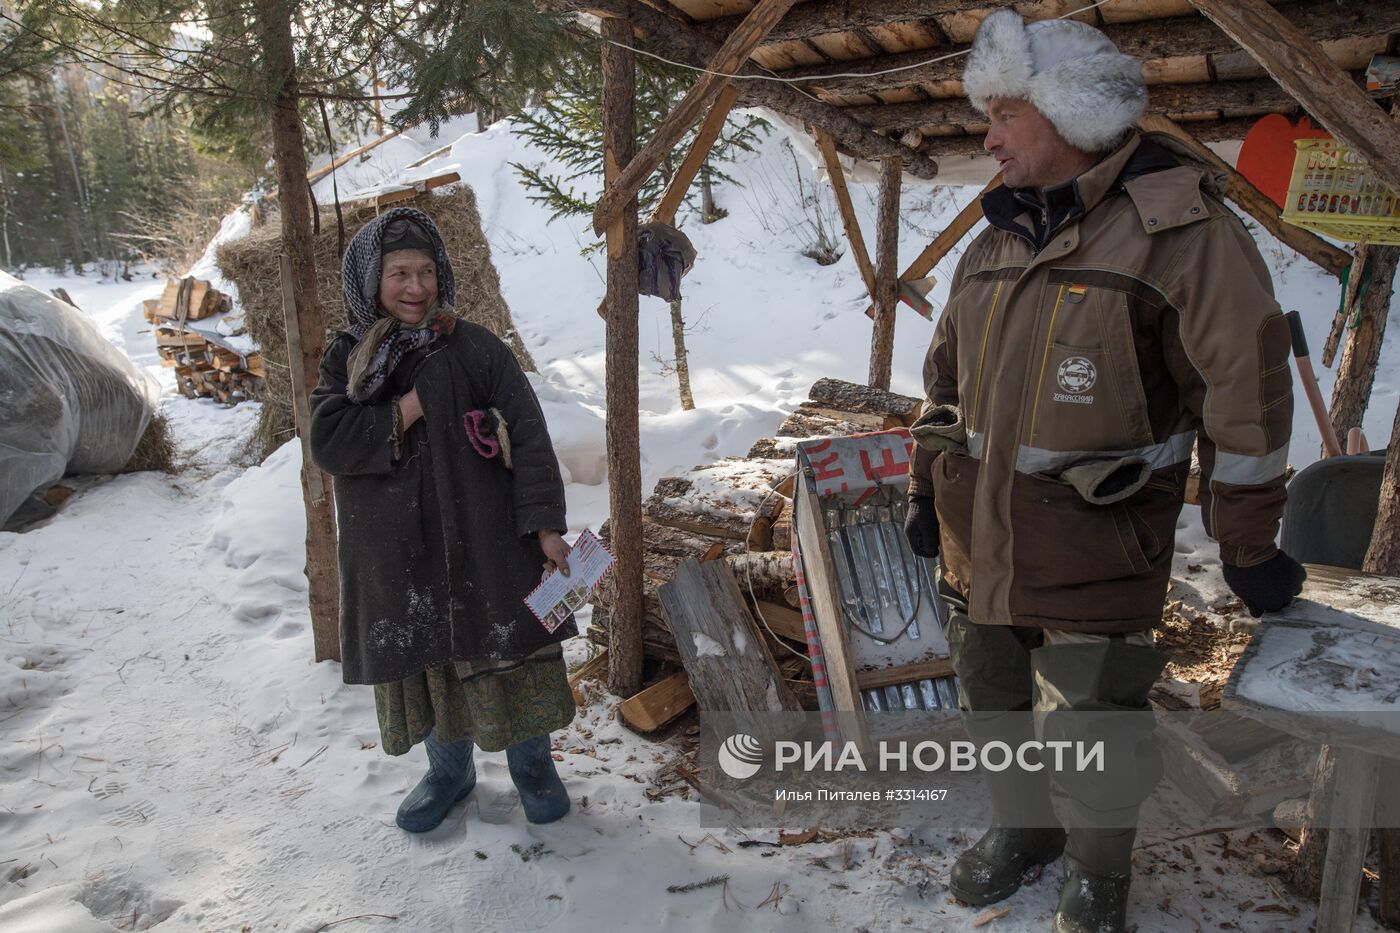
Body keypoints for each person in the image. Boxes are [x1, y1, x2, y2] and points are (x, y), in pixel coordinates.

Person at [902, 11, 1306, 932]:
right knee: (994, 706)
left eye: (1006, 116)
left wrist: (1247, 541)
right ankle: (1024, 828)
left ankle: (1098, 871)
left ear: (1071, 114)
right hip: (978, 544)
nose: (989, 139)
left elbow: (1244, 391)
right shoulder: (995, 238)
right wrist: (926, 488)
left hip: (1098, 544)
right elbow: (944, 384)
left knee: (1093, 728)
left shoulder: (1182, 234)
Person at [310, 207, 577, 832]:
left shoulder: (476, 347)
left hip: (488, 540)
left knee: (512, 647)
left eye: (427, 271)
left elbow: (530, 436)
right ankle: (448, 772)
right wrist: (406, 408)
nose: (417, 287)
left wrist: (545, 527)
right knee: (430, 658)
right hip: (399, 551)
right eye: (399, 273)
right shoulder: (349, 358)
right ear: (370, 279)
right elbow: (329, 440)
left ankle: (534, 767)